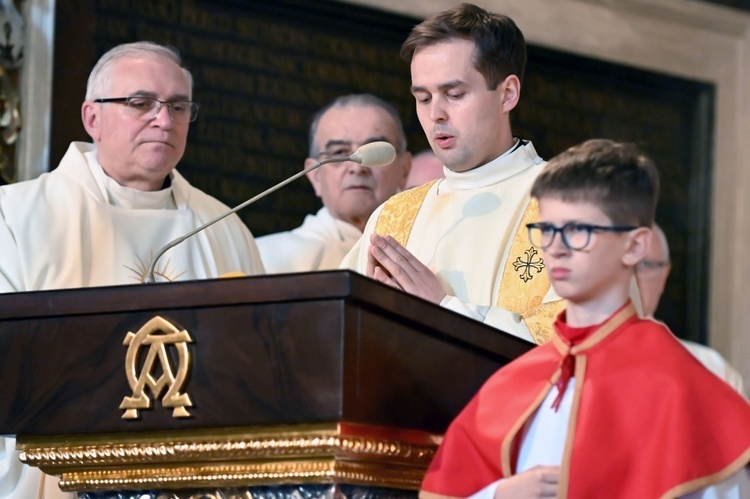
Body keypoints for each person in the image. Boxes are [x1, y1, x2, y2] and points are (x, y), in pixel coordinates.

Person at [0, 41, 265, 498]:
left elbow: (259, 367)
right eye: (141, 103)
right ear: (92, 118)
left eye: (178, 107)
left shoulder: (225, 226)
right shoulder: (17, 215)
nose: (163, 119)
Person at [420, 139, 750, 498]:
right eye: (547, 230)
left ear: (635, 246)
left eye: (579, 230)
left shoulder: (679, 386)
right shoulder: (515, 381)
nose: (556, 247)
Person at [340, 3, 564, 344]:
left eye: (454, 94)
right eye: (423, 98)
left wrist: (444, 309)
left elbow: (583, 344)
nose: (436, 115)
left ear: (507, 94)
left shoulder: (568, 202)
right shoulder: (394, 216)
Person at [256, 94, 411, 273]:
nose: (357, 168)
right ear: (314, 175)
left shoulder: (430, 250)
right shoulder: (268, 259)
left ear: (405, 169)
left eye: (375, 152)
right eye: (339, 152)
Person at [636, 223, 745, 395]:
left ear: (664, 275)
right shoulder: (580, 364)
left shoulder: (713, 371)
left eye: (644, 264)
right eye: (620, 265)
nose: (630, 277)